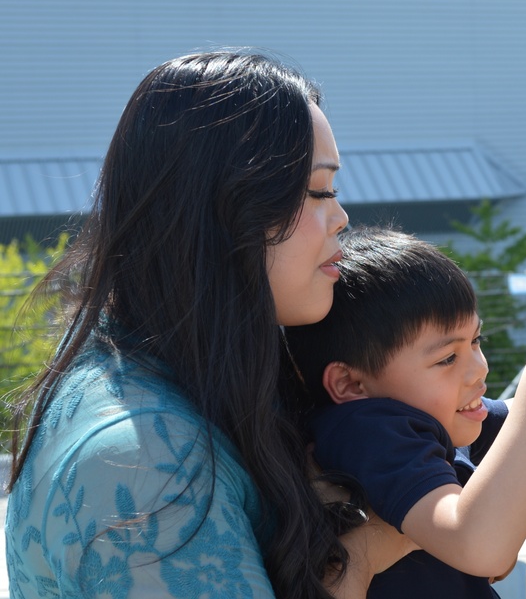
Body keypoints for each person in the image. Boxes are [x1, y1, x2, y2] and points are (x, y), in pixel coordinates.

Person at [4, 51, 402, 598]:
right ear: (221, 208)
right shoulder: (144, 461)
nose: (341, 216)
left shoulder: (149, 381)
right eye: (317, 191)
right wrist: (362, 554)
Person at [283, 226, 526, 598]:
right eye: (447, 358)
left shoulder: (432, 418)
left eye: (476, 341)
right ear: (350, 385)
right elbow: (480, 547)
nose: (480, 369)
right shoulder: (367, 429)